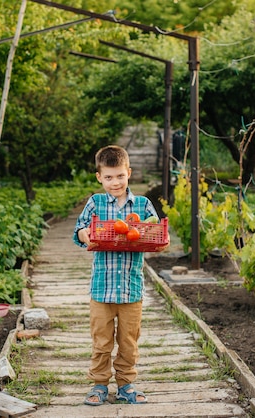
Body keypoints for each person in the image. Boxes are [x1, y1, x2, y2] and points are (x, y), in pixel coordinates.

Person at [73, 145, 158, 406]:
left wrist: (153, 238)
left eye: (120, 176)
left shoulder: (143, 205)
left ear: (128, 173)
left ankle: (125, 384)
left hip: (131, 289)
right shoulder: (95, 203)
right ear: (99, 177)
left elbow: (155, 231)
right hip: (102, 289)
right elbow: (79, 230)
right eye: (108, 177)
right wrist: (84, 234)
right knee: (101, 340)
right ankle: (99, 384)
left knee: (129, 341)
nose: (115, 182)